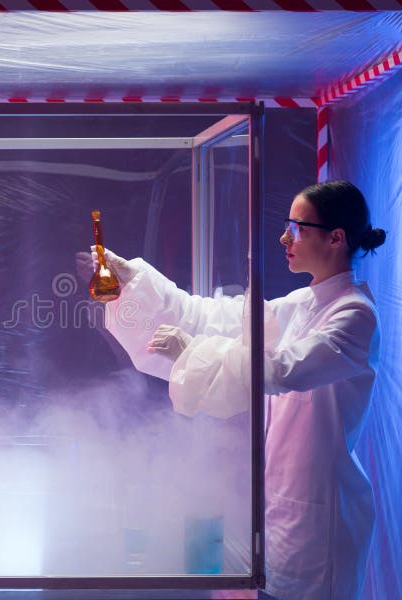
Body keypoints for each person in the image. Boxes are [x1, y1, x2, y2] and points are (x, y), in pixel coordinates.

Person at [96, 181, 385, 599]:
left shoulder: (355, 315)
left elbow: (281, 370)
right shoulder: (302, 304)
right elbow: (211, 316)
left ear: (336, 237)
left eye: (297, 228)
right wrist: (136, 282)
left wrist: (190, 351)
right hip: (285, 508)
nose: (284, 238)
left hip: (322, 520)